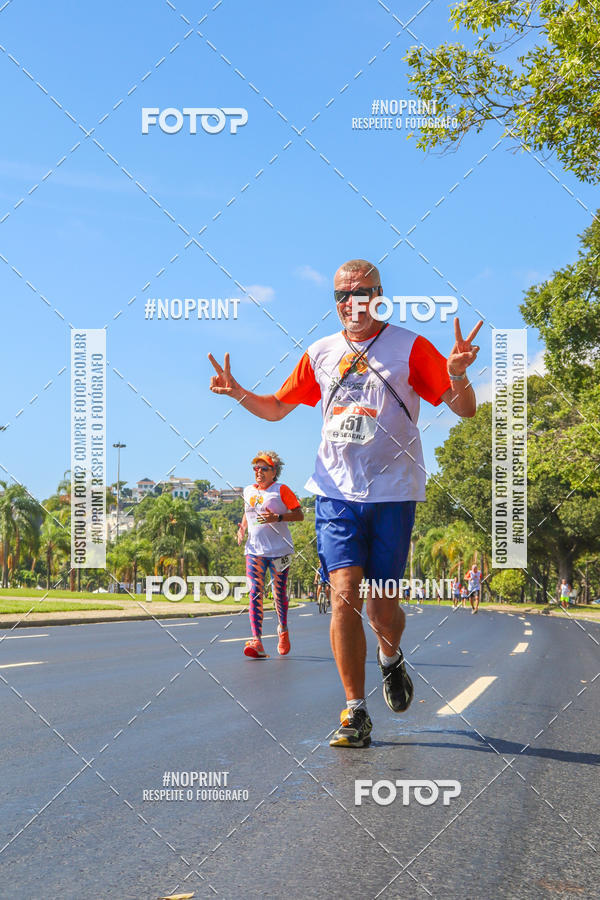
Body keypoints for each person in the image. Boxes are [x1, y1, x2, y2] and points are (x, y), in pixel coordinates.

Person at [209, 258, 481, 747]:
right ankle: (355, 711)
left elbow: (464, 408)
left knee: (381, 605)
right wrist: (237, 392)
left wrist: (457, 373)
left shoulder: (410, 347)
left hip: (394, 493)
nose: (351, 304)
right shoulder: (322, 352)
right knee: (344, 593)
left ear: (379, 295)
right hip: (335, 493)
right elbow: (275, 408)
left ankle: (390, 657)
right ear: (334, 301)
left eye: (362, 293)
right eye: (341, 295)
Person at [237, 451, 304, 658]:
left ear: (274, 471)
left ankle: (282, 629)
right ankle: (257, 641)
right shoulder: (248, 491)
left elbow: (299, 515)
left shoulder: (281, 490)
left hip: (280, 551)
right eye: (256, 468)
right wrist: (242, 529)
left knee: (279, 593)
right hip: (254, 551)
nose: (259, 472)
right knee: (255, 591)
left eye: (264, 468)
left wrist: (278, 517)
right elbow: (247, 512)